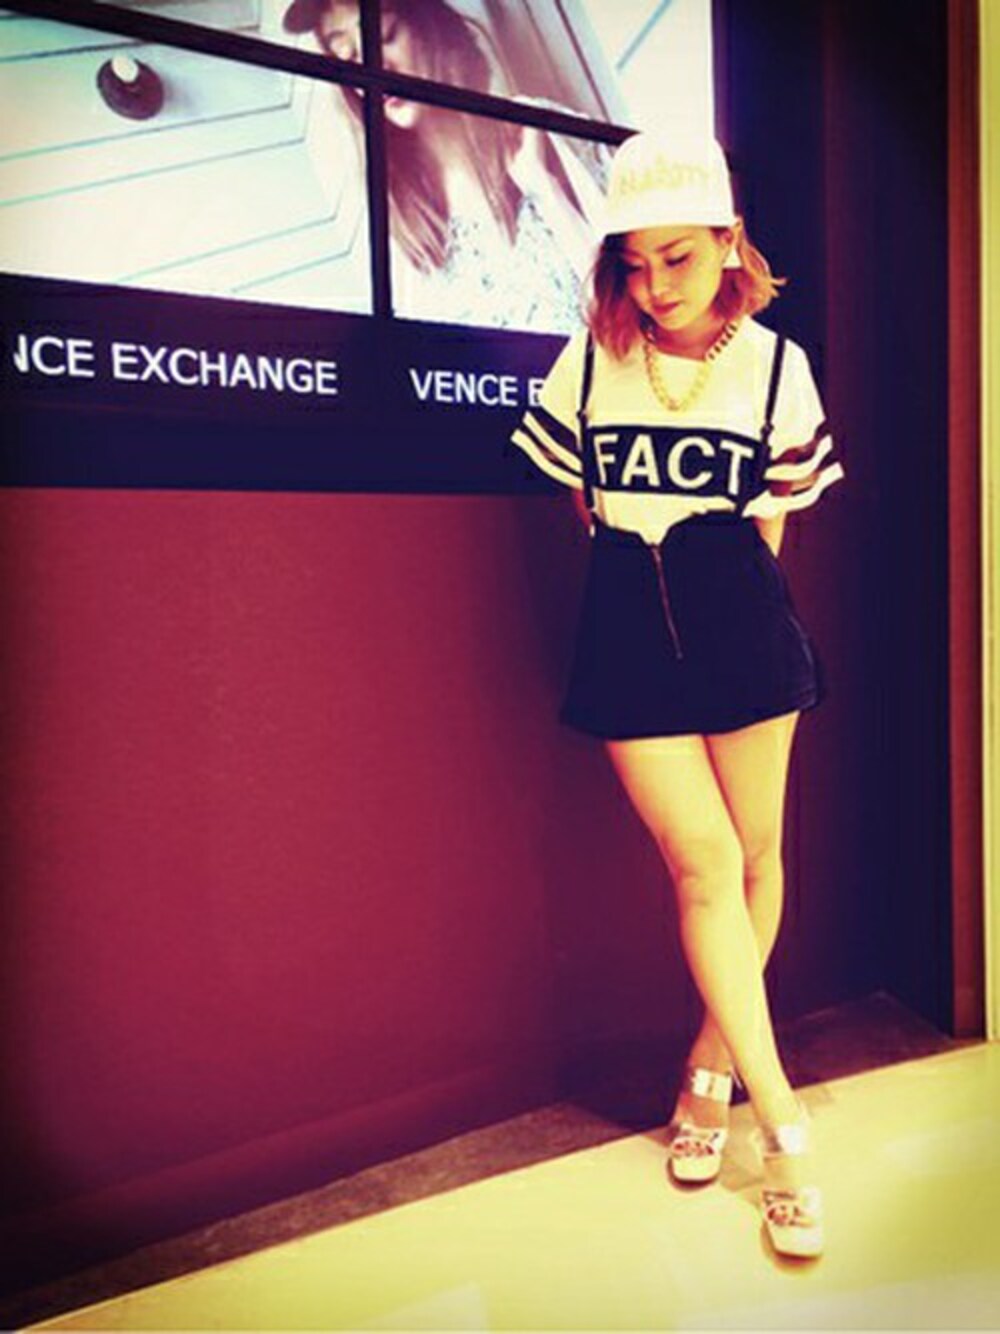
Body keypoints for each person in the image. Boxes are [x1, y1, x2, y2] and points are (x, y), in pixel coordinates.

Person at [511, 130, 845, 1260]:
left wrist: (726, 616)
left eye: (678, 258)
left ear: (727, 243)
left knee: (754, 859)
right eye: (634, 263)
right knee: (703, 862)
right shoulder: (588, 361)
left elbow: (771, 525)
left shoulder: (776, 367)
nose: (655, 285)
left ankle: (708, 1067)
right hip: (626, 632)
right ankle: (782, 1120)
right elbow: (581, 500)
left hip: (740, 621)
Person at [282, 0, 606, 331]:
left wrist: (545, 190)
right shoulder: (405, 232)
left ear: (426, 24)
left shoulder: (537, 130)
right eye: (348, 56)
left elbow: (628, 308)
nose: (375, 68)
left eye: (383, 36)